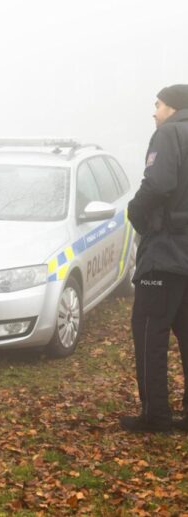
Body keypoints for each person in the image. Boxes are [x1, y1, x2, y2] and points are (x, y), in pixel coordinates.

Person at [122, 84, 188, 433]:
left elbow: (159, 183)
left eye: (158, 104)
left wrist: (135, 210)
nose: (154, 111)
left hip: (163, 255)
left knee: (150, 333)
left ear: (173, 107)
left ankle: (155, 416)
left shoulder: (168, 135)